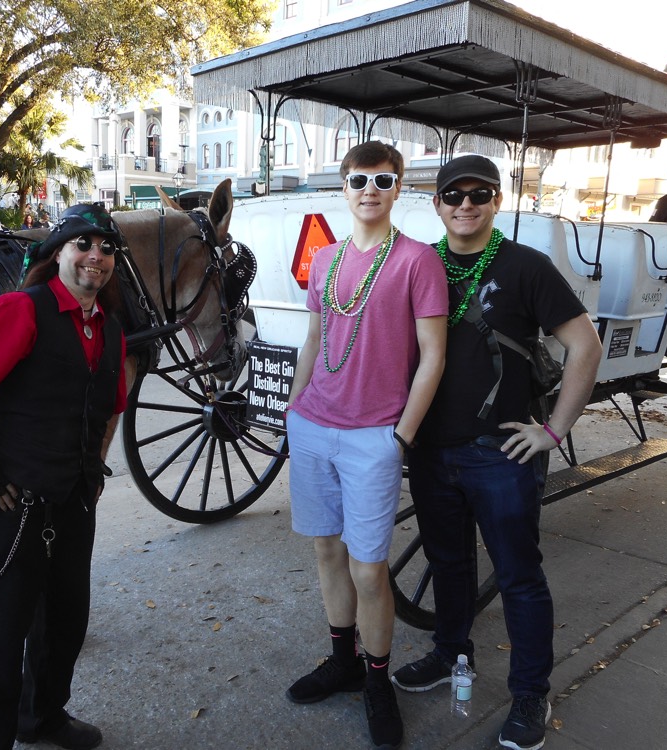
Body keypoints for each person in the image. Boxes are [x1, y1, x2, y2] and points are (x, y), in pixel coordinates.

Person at [390, 155, 602, 750]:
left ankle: (531, 692)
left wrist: (553, 431)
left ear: (496, 201)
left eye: (479, 194)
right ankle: (450, 653)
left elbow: (585, 346)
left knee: (518, 576)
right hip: (432, 452)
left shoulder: (526, 267)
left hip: (500, 454)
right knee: (450, 566)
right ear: (436, 204)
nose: (465, 204)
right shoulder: (419, 265)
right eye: (452, 194)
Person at [0, 202, 128, 750]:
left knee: (66, 622)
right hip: (16, 504)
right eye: (83, 245)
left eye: (106, 248)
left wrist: (95, 466)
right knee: (2, 635)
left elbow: (111, 405)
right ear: (58, 253)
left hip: (75, 501)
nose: (96, 257)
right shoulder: (23, 309)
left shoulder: (109, 329)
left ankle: (41, 717)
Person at [284, 141, 448, 750]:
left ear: (399, 187)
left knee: (370, 568)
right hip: (314, 425)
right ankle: (342, 659)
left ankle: (377, 679)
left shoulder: (416, 261)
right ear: (344, 187)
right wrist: (294, 412)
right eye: (359, 179)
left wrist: (399, 435)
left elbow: (433, 356)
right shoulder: (325, 260)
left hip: (374, 435)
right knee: (328, 551)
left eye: (383, 179)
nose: (370, 189)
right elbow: (311, 340)